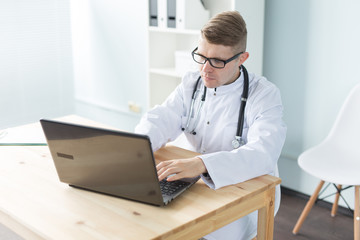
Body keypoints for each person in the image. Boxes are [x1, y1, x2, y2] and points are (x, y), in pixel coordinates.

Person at [135, 11, 286, 240]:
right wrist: (137, 148)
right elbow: (162, 117)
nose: (205, 68)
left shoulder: (264, 95)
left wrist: (201, 164)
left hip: (242, 190)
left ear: (241, 58)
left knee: (204, 231)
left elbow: (263, 154)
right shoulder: (191, 83)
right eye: (202, 56)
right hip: (194, 183)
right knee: (149, 216)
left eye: (217, 61)